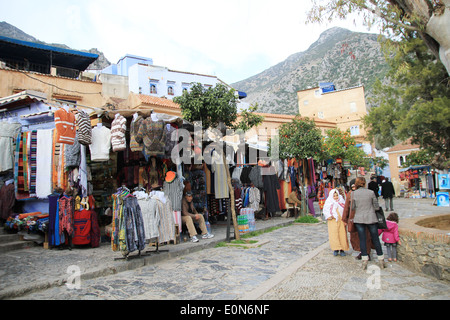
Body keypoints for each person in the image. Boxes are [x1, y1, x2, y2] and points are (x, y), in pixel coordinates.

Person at [350, 177, 385, 269]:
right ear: (365, 183)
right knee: (375, 239)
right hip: (371, 218)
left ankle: (364, 260)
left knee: (362, 239)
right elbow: (376, 207)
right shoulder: (371, 192)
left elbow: (352, 207)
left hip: (359, 219)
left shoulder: (353, 194)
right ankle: (381, 259)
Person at [323, 189, 349, 256]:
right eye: (334, 196)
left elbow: (345, 210)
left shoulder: (341, 201)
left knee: (342, 234)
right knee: (334, 234)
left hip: (341, 220)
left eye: (336, 195)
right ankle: (336, 249)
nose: (335, 197)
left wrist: (345, 219)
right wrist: (329, 215)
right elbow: (326, 210)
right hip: (332, 220)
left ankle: (342, 249)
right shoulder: (329, 202)